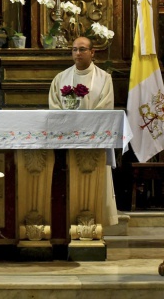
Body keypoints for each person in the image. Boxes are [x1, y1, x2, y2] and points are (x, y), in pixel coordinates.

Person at [48, 36, 118, 226]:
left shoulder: (104, 78)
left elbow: (105, 108)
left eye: (82, 49)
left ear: (92, 52)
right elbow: (54, 108)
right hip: (67, 140)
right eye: (74, 50)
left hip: (93, 140)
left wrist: (84, 125)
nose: (77, 53)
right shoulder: (61, 78)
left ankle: (96, 220)